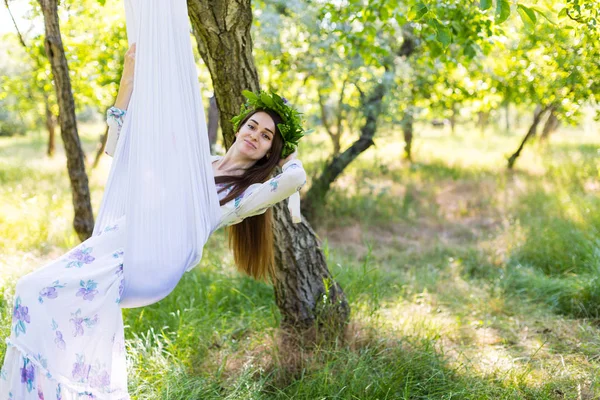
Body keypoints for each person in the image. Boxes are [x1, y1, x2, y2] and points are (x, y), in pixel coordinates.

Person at [0, 40, 308, 399]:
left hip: (153, 258)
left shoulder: (245, 196)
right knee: (33, 294)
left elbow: (295, 178)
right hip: (120, 238)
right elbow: (120, 148)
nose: (255, 136)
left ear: (272, 150)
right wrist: (127, 86)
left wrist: (289, 152)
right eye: (253, 127)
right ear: (239, 127)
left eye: (266, 136)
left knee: (35, 292)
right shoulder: (196, 162)